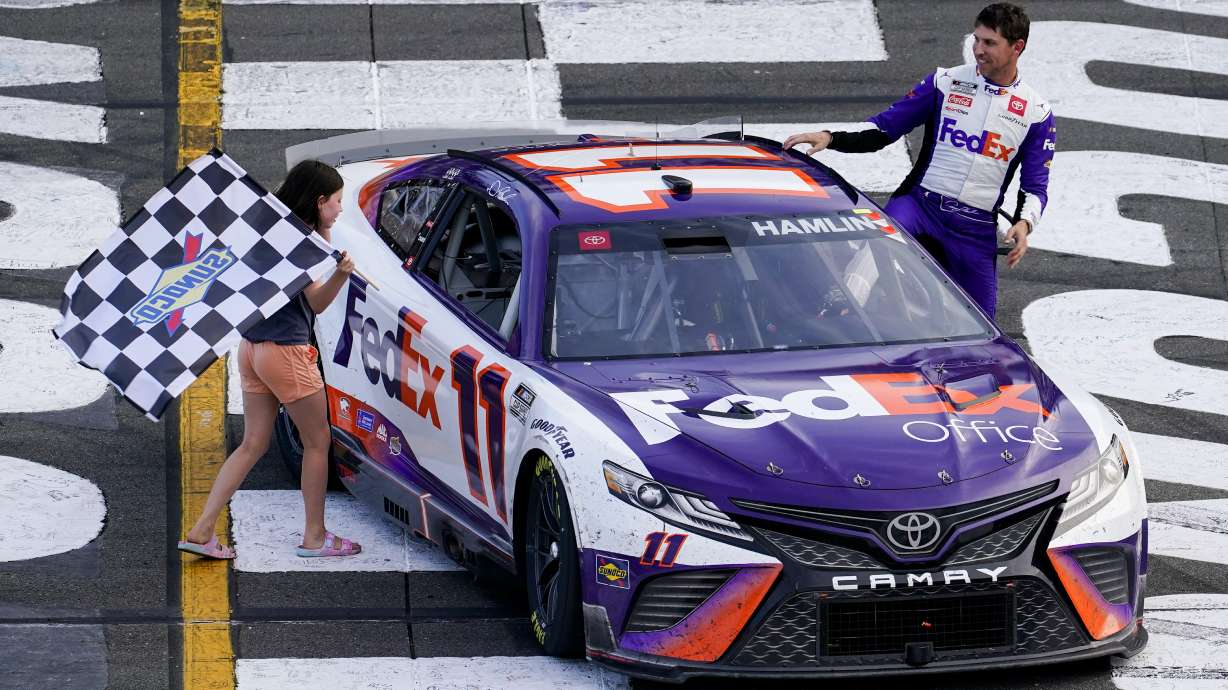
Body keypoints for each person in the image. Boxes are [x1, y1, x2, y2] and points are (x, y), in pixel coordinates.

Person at [783, 2, 1055, 320]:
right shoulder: (945, 83)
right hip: (920, 207)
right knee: (877, 240)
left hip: (974, 228)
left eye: (989, 43)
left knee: (982, 327)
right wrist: (832, 137)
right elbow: (884, 128)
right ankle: (833, 318)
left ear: (1017, 47)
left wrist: (1024, 223)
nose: (978, 50)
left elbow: (1035, 185)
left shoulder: (1036, 112)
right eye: (976, 39)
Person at [178, 159, 361, 559]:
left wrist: (325, 229)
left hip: (252, 350)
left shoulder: (270, 231)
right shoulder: (305, 247)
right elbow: (317, 302)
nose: (341, 209)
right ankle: (315, 536)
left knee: (252, 443)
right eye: (336, 201)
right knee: (317, 442)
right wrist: (341, 273)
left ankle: (202, 529)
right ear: (319, 201)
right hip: (288, 353)